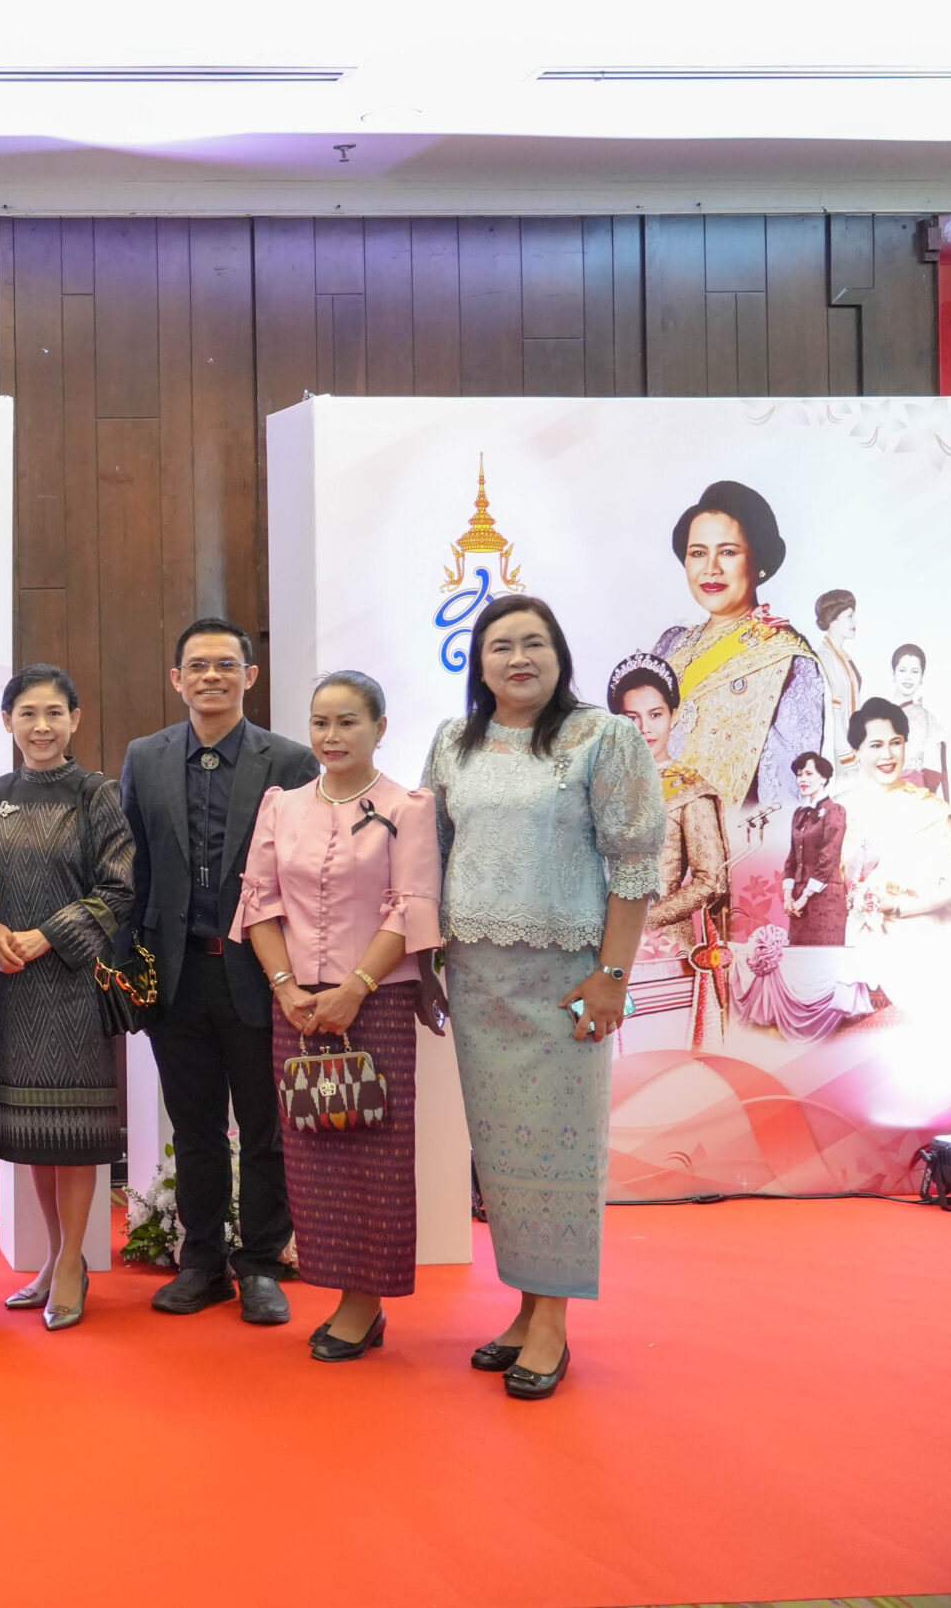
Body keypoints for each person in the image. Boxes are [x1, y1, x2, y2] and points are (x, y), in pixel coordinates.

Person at [426, 595, 664, 1400]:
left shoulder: (604, 737)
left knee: (561, 1151)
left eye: (534, 643)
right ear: (479, 662)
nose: (518, 658)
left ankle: (553, 1322)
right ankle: (526, 1309)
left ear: (559, 654)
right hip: (477, 978)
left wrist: (613, 975)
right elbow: (431, 856)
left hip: (568, 978)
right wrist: (424, 964)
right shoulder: (452, 742)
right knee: (504, 1157)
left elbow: (634, 862)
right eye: (501, 645)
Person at [234, 671, 443, 1362]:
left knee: (373, 1153)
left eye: (348, 721)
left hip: (375, 1002)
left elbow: (410, 905)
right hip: (297, 1005)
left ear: (379, 727)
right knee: (314, 1150)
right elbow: (260, 903)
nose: (332, 736)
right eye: (320, 722)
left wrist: (355, 987)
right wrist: (286, 988)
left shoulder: (408, 807)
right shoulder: (281, 805)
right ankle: (344, 1293)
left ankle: (364, 1304)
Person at [119, 616, 320, 1327]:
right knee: (196, 1127)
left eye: (226, 665)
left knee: (265, 1129)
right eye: (198, 666)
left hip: (260, 974)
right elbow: (133, 868)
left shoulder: (290, 761)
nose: (212, 676)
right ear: (177, 679)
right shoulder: (145, 757)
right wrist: (132, 970)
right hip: (177, 977)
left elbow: (307, 876)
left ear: (249, 676)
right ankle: (201, 1261)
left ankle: (261, 1263)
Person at [0, 663, 136, 1331]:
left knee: (74, 1131)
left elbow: (120, 888)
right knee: (34, 1133)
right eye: (27, 713)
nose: (41, 726)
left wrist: (45, 936)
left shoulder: (97, 794)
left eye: (54, 713)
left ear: (75, 720)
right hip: (8, 984)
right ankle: (51, 1256)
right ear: (7, 721)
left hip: (73, 984)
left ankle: (72, 1263)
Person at [648, 479, 822, 810]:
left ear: (758, 561)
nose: (711, 568)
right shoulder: (671, 645)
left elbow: (787, 798)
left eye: (728, 552)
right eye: (698, 553)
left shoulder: (787, 660)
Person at [609, 654, 731, 1047]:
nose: (644, 728)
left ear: (674, 716)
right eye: (631, 717)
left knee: (661, 1061)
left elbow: (712, 880)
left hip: (666, 952)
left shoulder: (690, 789)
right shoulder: (601, 788)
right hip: (603, 948)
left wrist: (648, 919)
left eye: (656, 715)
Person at [836, 698, 951, 999]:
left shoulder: (931, 809)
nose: (887, 755)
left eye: (896, 743)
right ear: (857, 751)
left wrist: (900, 906)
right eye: (875, 745)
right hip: (856, 947)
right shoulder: (840, 809)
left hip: (924, 945)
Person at [783, 752, 850, 946]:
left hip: (825, 897)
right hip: (798, 898)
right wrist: (788, 897)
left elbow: (828, 858)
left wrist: (804, 897)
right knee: (799, 955)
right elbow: (792, 857)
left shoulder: (835, 810)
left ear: (823, 778)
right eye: (799, 774)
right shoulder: (799, 813)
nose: (802, 779)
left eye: (809, 774)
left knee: (822, 955)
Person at [887, 644, 948, 800]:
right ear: (893, 673)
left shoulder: (928, 721)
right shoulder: (875, 713)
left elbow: (933, 773)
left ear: (922, 676)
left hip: (913, 797)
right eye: (902, 670)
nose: (908, 677)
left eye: (915, 672)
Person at [812, 589, 861, 761]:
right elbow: (833, 714)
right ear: (832, 620)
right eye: (849, 616)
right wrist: (847, 758)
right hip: (837, 752)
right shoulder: (825, 658)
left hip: (852, 745)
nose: (855, 621)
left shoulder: (843, 656)